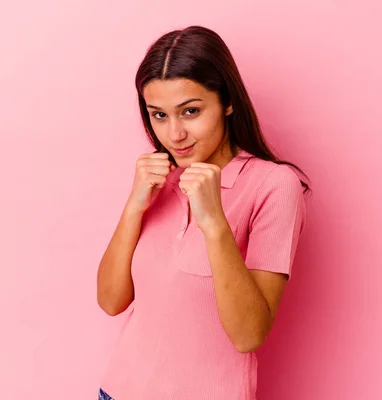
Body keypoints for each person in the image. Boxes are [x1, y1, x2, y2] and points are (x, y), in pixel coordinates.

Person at [96, 25, 310, 400]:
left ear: (227, 101)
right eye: (159, 115)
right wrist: (134, 205)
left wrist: (214, 223)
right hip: (118, 392)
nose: (174, 133)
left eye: (190, 111)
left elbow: (249, 335)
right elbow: (111, 301)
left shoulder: (274, 185)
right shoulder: (159, 181)